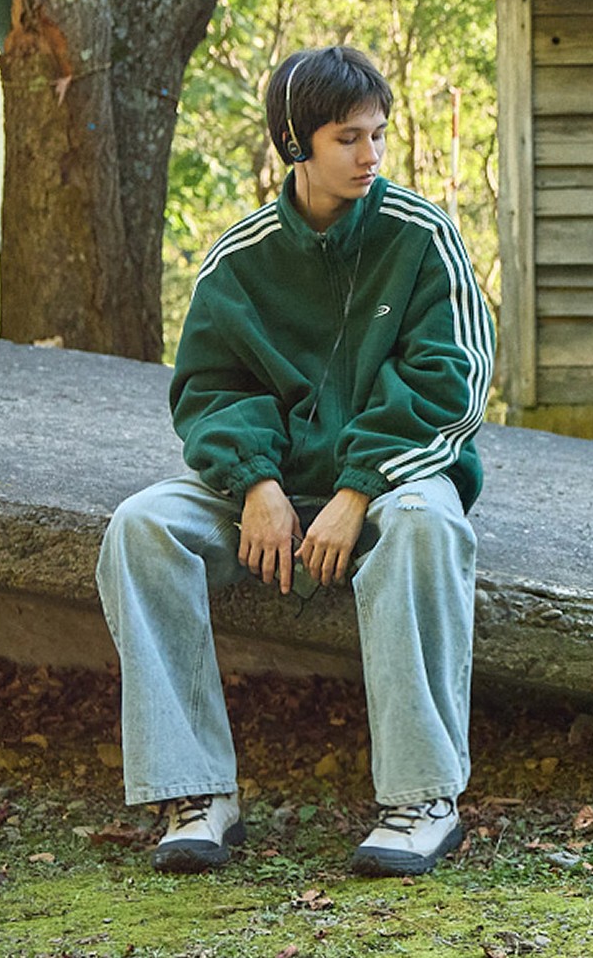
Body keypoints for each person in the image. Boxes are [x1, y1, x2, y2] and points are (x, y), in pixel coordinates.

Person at [96, 45, 495, 878]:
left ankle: (423, 800)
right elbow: (208, 388)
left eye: (376, 134)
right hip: (270, 481)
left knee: (426, 526)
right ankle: (196, 792)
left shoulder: (423, 238)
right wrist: (257, 483)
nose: (370, 154)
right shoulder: (238, 260)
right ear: (294, 142)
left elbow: (452, 383)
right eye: (348, 138)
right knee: (140, 527)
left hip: (393, 480)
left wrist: (357, 490)